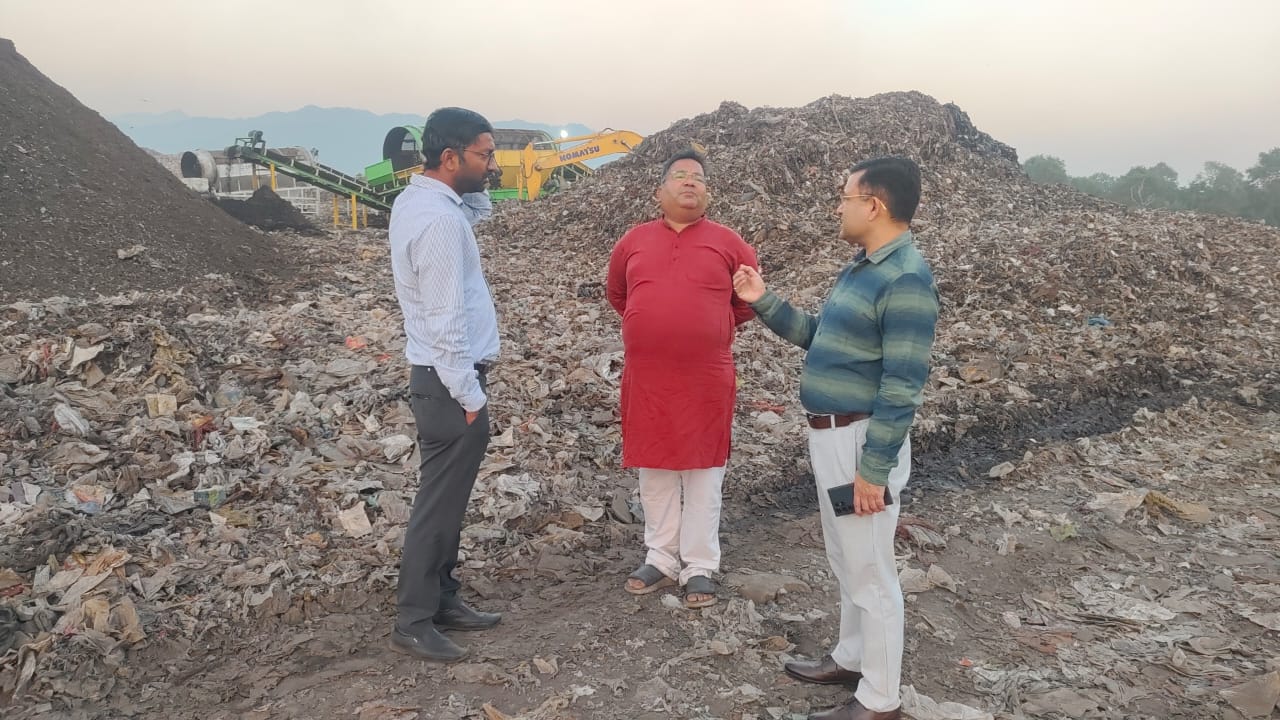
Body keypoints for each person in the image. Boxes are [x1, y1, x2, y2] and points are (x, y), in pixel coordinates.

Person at [732, 157, 939, 720]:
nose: (838, 208)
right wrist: (763, 299)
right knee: (847, 558)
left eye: (845, 197)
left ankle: (880, 699)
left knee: (871, 571)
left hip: (860, 442)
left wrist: (873, 469)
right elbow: (820, 337)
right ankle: (852, 657)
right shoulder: (863, 269)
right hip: (833, 437)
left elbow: (902, 385)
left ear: (874, 205)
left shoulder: (905, 280)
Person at [606, 148, 759, 609]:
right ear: (660, 191)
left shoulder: (729, 243)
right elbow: (618, 293)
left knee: (704, 471)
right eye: (679, 175)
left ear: (707, 193)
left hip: (706, 375)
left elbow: (748, 301)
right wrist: (653, 326)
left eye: (698, 177)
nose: (690, 181)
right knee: (654, 468)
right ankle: (661, 557)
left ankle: (699, 565)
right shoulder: (633, 242)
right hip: (648, 375)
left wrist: (707, 327)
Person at [387, 107, 504, 662]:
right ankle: (413, 619)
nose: (493, 166)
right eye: (485, 155)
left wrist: (477, 179)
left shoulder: (422, 201)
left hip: (441, 379)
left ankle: (444, 599)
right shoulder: (438, 222)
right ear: (451, 157)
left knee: (449, 503)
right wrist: (470, 396)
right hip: (448, 382)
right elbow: (445, 319)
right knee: (437, 507)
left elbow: (478, 206)